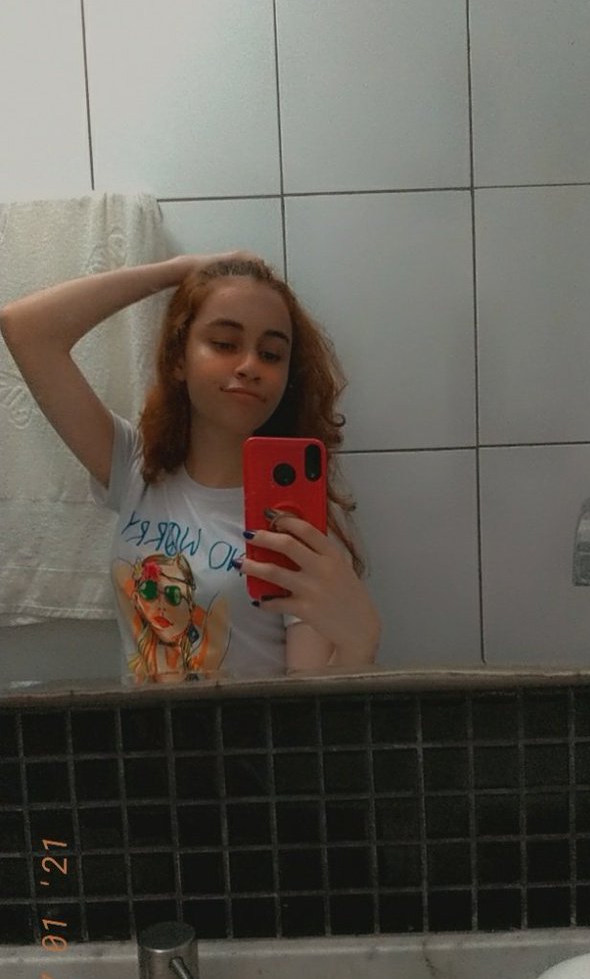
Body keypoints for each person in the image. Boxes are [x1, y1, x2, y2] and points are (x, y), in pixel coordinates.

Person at [0, 252, 381, 683]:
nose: (250, 366)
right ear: (178, 359)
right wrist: (180, 270)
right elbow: (26, 328)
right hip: (138, 728)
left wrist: (358, 645)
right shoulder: (137, 468)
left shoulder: (295, 525)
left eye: (271, 354)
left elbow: (307, 704)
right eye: (224, 344)